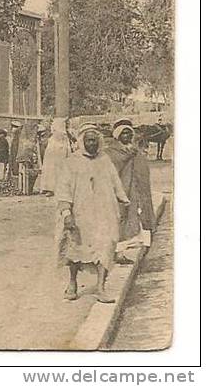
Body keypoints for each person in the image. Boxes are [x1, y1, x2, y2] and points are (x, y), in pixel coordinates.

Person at [56, 123, 130, 303]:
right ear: (82, 141)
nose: (92, 144)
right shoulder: (71, 162)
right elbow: (63, 189)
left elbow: (115, 182)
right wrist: (67, 213)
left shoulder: (105, 160)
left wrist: (124, 200)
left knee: (105, 247)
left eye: (94, 140)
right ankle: (72, 283)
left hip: (105, 213)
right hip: (81, 214)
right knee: (76, 248)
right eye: (88, 140)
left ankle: (100, 288)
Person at [104, 118, 156, 243]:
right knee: (123, 216)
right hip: (123, 189)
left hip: (137, 189)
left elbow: (143, 172)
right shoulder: (111, 153)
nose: (127, 136)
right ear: (117, 136)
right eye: (123, 133)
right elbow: (111, 172)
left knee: (140, 212)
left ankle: (140, 240)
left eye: (129, 133)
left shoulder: (136, 152)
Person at [37, 118, 70, 194]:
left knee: (57, 172)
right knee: (49, 171)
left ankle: (54, 189)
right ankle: (48, 188)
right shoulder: (52, 139)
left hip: (59, 158)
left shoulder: (63, 138)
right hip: (51, 158)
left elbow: (66, 149)